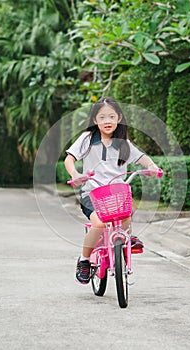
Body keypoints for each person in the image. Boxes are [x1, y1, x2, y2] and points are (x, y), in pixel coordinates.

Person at [65, 97, 160, 284]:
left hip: (116, 193)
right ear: (95, 121)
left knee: (126, 214)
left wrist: (152, 167)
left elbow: (143, 158)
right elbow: (70, 158)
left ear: (119, 118)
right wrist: (75, 174)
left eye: (111, 116)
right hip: (91, 193)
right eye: (102, 117)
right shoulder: (87, 139)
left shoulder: (124, 143)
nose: (107, 121)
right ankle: (84, 260)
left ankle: (125, 239)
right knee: (99, 224)